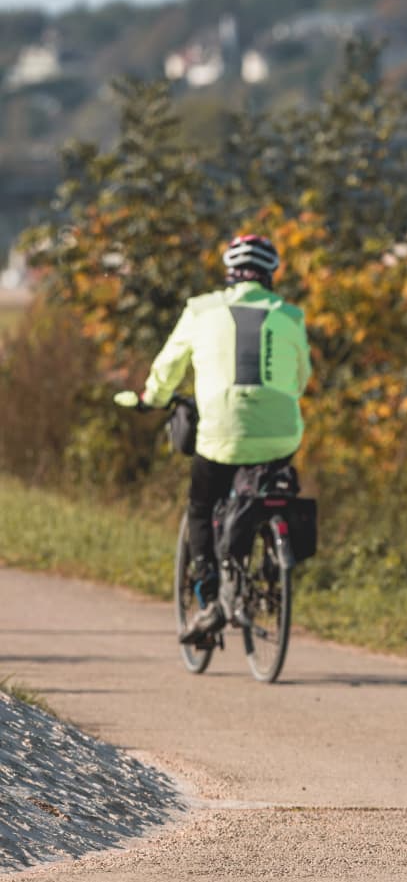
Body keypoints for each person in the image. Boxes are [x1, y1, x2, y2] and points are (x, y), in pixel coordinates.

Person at [139, 234, 312, 642]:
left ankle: (210, 598)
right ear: (270, 275)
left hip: (220, 433)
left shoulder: (201, 311)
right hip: (281, 432)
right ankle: (267, 567)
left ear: (229, 273)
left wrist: (152, 398)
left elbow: (167, 369)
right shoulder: (290, 316)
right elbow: (300, 380)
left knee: (201, 507)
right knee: (268, 488)